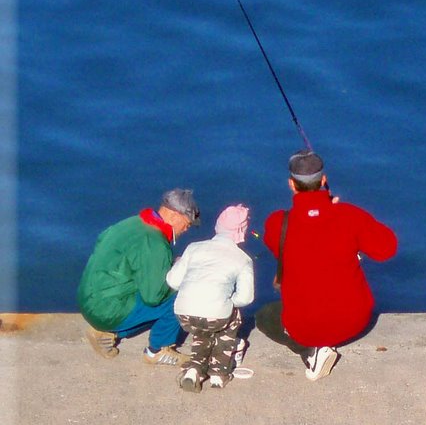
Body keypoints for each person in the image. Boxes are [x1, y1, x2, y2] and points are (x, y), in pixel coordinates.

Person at [255, 150, 397, 381]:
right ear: (323, 181)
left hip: (306, 328)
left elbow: (286, 248)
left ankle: (310, 350)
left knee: (264, 316)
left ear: (291, 184)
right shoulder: (350, 216)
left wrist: (323, 212)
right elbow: (387, 249)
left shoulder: (277, 223)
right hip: (356, 321)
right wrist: (334, 211)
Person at [78, 188, 200, 365]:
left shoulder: (132, 223)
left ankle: (107, 332)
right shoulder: (156, 243)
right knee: (182, 294)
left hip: (89, 298)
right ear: (174, 216)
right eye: (186, 224)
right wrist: (180, 272)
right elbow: (154, 298)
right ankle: (158, 350)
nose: (186, 230)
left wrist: (166, 265)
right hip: (106, 310)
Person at [165, 204, 255, 393]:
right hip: (216, 317)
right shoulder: (243, 259)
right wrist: (228, 301)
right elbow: (246, 298)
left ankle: (194, 371)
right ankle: (218, 374)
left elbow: (172, 281)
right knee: (230, 317)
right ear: (241, 231)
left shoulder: (194, 248)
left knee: (202, 327)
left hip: (184, 314)